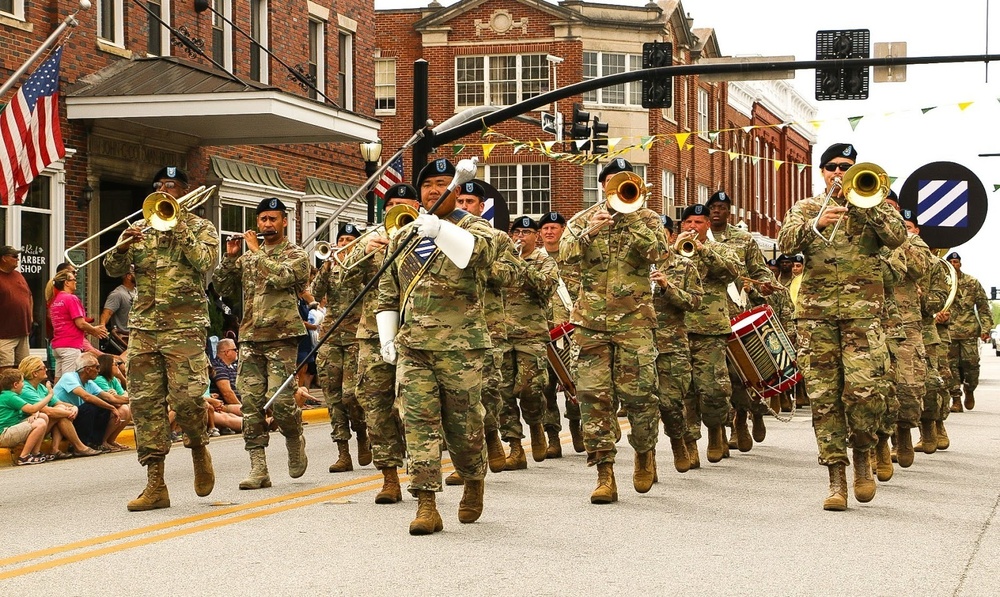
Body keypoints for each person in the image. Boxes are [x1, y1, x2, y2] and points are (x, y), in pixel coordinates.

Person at [777, 143, 906, 511]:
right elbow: (785, 244)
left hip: (862, 318)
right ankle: (836, 476)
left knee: (865, 391)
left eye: (846, 167)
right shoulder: (805, 209)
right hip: (816, 318)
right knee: (824, 398)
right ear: (821, 172)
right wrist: (816, 224)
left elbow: (898, 237)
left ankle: (863, 456)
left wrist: (870, 206)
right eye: (832, 166)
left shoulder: (873, 205)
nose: (838, 171)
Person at [377, 158, 495, 534]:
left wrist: (440, 230)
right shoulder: (404, 235)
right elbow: (387, 292)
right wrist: (386, 338)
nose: (433, 189)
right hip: (414, 347)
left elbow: (476, 255)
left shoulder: (477, 227)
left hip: (461, 347)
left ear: (457, 190)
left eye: (442, 182)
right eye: (427, 184)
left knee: (463, 426)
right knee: (418, 423)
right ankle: (426, 502)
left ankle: (473, 479)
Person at [105, 165, 219, 511]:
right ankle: (156, 484)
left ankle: (198, 446)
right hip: (144, 329)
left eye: (172, 186)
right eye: (159, 186)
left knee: (186, 400)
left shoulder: (201, 228)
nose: (165, 191)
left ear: (186, 190)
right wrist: (122, 247)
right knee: (144, 405)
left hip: (184, 328)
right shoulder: (140, 227)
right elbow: (111, 268)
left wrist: (179, 224)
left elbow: (205, 262)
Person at [559, 158, 667, 503]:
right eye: (611, 182)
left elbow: (659, 252)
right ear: (602, 186)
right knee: (593, 397)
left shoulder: (647, 218)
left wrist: (632, 216)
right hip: (591, 323)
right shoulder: (583, 219)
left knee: (640, 396)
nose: (617, 188)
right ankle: (604, 473)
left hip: (634, 323)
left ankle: (644, 452)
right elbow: (564, 256)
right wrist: (590, 229)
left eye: (625, 182)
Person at [215, 196, 311, 490]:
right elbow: (221, 287)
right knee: (251, 403)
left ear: (284, 221)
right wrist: (230, 258)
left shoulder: (296, 254)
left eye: (273, 219)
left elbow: (284, 278)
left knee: (281, 401)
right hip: (250, 336)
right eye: (263, 220)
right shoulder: (247, 258)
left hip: (281, 337)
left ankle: (294, 437)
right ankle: (258, 467)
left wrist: (256, 252)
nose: (267, 224)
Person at [345, 183, 420, 502]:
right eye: (392, 204)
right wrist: (362, 254)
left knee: (416, 407)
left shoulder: (432, 235)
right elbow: (339, 280)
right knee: (373, 404)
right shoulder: (369, 240)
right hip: (374, 334)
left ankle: (421, 475)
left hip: (419, 331)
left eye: (405, 204)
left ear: (417, 206)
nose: (398, 209)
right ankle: (390, 477)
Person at [449, 180, 513, 479]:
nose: (463, 207)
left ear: (481, 207)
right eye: (459, 201)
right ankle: (464, 463)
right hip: (447, 329)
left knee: (485, 391)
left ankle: (491, 436)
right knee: (455, 399)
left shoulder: (496, 238)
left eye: (469, 202)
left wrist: (479, 263)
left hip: (487, 327)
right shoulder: (438, 234)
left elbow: (512, 274)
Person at [706, 190, 779, 451]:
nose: (716, 211)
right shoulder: (696, 237)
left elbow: (759, 271)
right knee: (715, 377)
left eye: (721, 207)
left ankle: (745, 417)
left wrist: (766, 286)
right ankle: (721, 428)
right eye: (712, 207)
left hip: (738, 314)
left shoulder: (744, 239)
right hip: (706, 318)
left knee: (740, 374)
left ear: (729, 211)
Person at [676, 203, 740, 466]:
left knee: (713, 389)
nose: (693, 227)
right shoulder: (673, 252)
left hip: (710, 328)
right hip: (678, 329)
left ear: (707, 226)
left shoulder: (720, 249)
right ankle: (690, 442)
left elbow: (732, 272)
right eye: (688, 222)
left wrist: (703, 251)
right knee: (684, 391)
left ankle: (716, 429)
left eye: (699, 223)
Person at [500, 216, 558, 466]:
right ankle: (514, 447)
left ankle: (536, 423)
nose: (521, 237)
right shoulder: (504, 259)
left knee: (530, 388)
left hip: (531, 335)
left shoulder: (545, 261)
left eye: (527, 232)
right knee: (502, 394)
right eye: (517, 232)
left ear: (537, 236)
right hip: (501, 335)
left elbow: (546, 288)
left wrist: (521, 265)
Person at [314, 222, 371, 473]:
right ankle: (342, 453)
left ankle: (361, 433)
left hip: (356, 335)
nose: (345, 244)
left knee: (352, 394)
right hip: (330, 337)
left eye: (350, 240)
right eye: (342, 239)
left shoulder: (364, 264)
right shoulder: (331, 266)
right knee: (333, 397)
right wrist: (327, 265)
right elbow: (315, 293)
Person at [651, 214, 702, 473]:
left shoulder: (684, 267)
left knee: (671, 403)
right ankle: (646, 461)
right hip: (637, 345)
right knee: (642, 406)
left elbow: (694, 302)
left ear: (671, 236)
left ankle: (680, 441)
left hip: (671, 345)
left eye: (662, 232)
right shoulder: (631, 266)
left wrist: (666, 287)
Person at [538, 210, 584, 455]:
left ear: (563, 230)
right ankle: (553, 437)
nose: (549, 231)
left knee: (574, 383)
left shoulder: (574, 260)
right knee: (545, 387)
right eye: (545, 228)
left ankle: (576, 427)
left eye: (554, 227)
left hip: (570, 331)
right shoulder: (535, 260)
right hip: (544, 333)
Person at [17, 355, 102, 458]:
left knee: (60, 409)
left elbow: (58, 402)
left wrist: (73, 407)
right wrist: (69, 412)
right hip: (28, 425)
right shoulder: (25, 389)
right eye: (43, 368)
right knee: (58, 412)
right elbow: (47, 411)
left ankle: (56, 449)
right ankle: (79, 447)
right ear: (34, 373)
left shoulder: (40, 387)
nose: (46, 370)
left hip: (42, 424)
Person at [943, 252, 994, 410]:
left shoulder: (972, 283)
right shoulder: (942, 283)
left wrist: (986, 328)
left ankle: (969, 389)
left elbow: (983, 308)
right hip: (948, 331)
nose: (954, 264)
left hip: (969, 332)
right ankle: (956, 399)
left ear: (960, 264)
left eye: (956, 261)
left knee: (971, 365)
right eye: (951, 261)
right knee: (950, 366)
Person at [53, 353, 126, 453]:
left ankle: (95, 443)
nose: (99, 370)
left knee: (102, 406)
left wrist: (134, 400)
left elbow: (109, 397)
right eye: (97, 367)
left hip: (75, 414)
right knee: (91, 406)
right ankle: (82, 444)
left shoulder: (89, 382)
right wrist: (111, 408)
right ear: (87, 369)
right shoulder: (69, 377)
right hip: (64, 414)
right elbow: (86, 397)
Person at [49, 270, 109, 381]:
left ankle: (55, 398)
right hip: (70, 346)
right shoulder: (71, 298)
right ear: (66, 283)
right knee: (70, 381)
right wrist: (94, 330)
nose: (76, 282)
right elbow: (80, 323)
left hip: (58, 346)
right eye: (73, 280)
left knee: (58, 381)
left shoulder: (55, 300)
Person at [0, 368, 51, 464]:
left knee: (42, 416)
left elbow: (30, 410)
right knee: (40, 423)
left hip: (11, 428)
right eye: (22, 382)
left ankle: (35, 452)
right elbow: (32, 408)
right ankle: (24, 457)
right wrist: (49, 395)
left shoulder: (9, 395)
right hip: (4, 434)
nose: (23, 385)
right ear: (15, 385)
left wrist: (34, 413)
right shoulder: (10, 397)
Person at [92, 353, 133, 451]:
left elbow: (125, 394)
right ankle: (103, 441)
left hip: (110, 408)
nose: (118, 366)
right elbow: (116, 402)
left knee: (128, 408)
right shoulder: (100, 379)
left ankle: (111, 440)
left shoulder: (113, 379)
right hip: (99, 411)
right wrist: (118, 397)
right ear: (107, 366)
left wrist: (119, 376)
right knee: (124, 410)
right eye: (115, 364)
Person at [0, 246, 33, 370]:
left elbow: (29, 296)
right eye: (14, 256)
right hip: (4, 334)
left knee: (24, 368)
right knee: (6, 370)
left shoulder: (18, 275)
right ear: (4, 258)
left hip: (23, 332)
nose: (17, 259)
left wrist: (30, 317)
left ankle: (20, 390)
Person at [99, 266, 136, 352]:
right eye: (135, 273)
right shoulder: (117, 294)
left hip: (136, 337)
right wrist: (102, 326)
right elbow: (107, 313)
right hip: (123, 338)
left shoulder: (138, 292)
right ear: (128, 276)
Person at [209, 337, 242, 416]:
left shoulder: (233, 366)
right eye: (235, 349)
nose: (237, 351)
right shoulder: (217, 367)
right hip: (224, 406)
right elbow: (227, 394)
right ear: (227, 352)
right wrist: (242, 408)